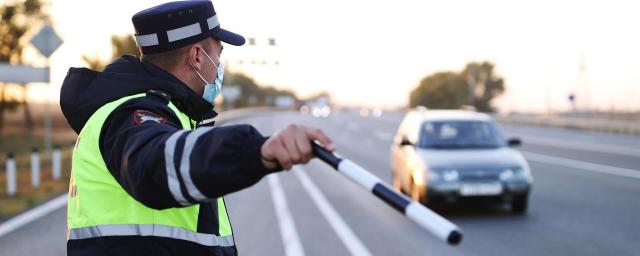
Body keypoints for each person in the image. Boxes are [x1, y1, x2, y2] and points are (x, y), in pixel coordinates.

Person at [59, 1, 334, 255]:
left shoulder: (168, 113)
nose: (220, 67)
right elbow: (155, 164)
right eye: (219, 54)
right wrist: (256, 150)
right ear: (197, 57)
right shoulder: (131, 115)